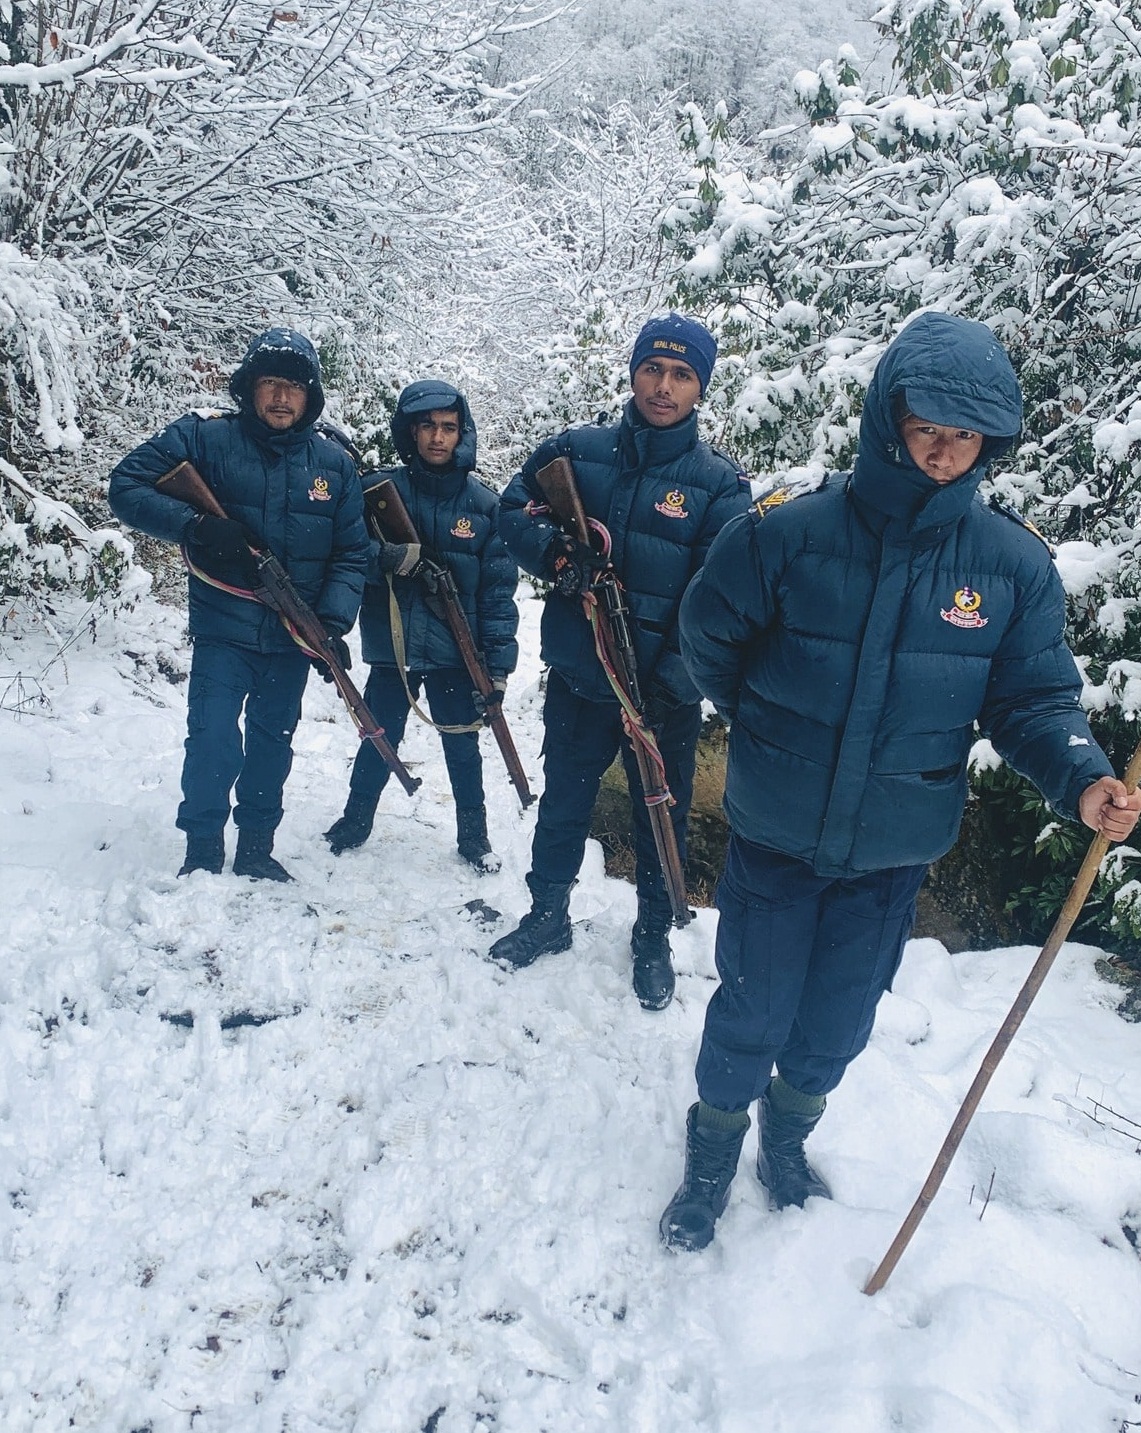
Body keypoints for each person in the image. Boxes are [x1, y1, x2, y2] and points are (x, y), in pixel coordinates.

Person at [659, 311, 1141, 1251]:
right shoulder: (787, 533)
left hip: (889, 853)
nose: (944, 453)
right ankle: (710, 1152)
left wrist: (1082, 779)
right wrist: (767, 724)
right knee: (751, 1010)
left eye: (966, 436)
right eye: (926, 429)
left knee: (836, 1025)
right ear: (888, 418)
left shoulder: (1009, 566)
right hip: (776, 833)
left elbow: (1032, 699)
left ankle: (785, 1138)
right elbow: (707, 634)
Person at [490, 313, 752, 1009]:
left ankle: (652, 937)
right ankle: (547, 915)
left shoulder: (719, 484)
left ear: (700, 388)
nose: (663, 386)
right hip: (581, 679)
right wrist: (555, 554)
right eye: (652, 369)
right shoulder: (575, 451)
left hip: (663, 695)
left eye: (682, 375)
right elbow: (512, 507)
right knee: (563, 804)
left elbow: (724, 600)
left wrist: (672, 682)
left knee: (658, 818)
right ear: (633, 372)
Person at [109, 327, 369, 883]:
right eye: (270, 383)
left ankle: (256, 847)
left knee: (272, 742)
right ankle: (202, 849)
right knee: (212, 739)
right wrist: (196, 526)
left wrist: (330, 622)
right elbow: (126, 486)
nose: (281, 397)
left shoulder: (335, 464)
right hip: (223, 629)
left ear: (311, 396)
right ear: (249, 387)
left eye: (294, 387)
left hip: (292, 637)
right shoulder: (205, 437)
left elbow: (353, 553)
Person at [323, 380, 519, 871]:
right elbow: (346, 553)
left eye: (448, 427)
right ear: (410, 432)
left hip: (456, 652)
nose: (437, 437)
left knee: (462, 745)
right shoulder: (376, 493)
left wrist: (497, 669)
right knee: (378, 737)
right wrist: (389, 558)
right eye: (427, 426)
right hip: (393, 648)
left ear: (462, 432)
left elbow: (498, 595)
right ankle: (354, 822)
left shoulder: (485, 506)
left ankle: (474, 838)